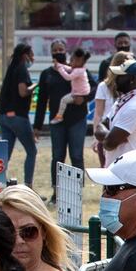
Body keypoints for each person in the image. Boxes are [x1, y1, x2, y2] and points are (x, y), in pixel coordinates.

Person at [36, 44, 90, 184]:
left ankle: (77, 191)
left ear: (66, 52)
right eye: (55, 50)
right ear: (51, 53)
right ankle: (57, 191)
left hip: (77, 118)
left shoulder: (76, 70)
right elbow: (41, 100)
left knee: (77, 156)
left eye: (61, 50)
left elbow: (94, 87)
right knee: (58, 156)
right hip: (57, 121)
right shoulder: (47, 74)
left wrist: (83, 99)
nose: (58, 53)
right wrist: (37, 125)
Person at [0, 43, 40, 188]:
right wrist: (35, 85)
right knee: (31, 151)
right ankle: (28, 186)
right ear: (25, 55)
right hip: (18, 118)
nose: (32, 59)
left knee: (5, 155)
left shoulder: (12, 69)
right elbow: (23, 91)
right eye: (31, 55)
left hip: (4, 117)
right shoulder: (22, 69)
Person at [101, 58, 136, 169]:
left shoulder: (135, 107)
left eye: (120, 76)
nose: (116, 79)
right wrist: (109, 136)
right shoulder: (122, 101)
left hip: (130, 174)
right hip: (119, 170)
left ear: (132, 79)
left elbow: (109, 143)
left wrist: (109, 138)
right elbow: (100, 127)